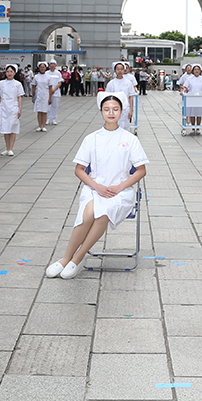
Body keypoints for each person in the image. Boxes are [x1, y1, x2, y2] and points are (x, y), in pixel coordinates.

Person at [45, 91, 148, 280]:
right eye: (107, 109)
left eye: (115, 109)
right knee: (88, 215)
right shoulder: (91, 138)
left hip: (120, 192)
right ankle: (66, 258)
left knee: (103, 213)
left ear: (122, 111)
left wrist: (118, 188)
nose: (111, 113)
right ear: (101, 111)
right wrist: (98, 187)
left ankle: (77, 258)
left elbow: (141, 170)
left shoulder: (130, 139)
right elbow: (79, 169)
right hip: (94, 188)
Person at [0, 64, 25, 156]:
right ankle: (7, 148)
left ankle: (11, 148)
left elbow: (19, 97)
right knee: (5, 128)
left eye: (11, 71)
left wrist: (20, 109)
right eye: (7, 71)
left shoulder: (18, 84)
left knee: (12, 128)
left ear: (15, 73)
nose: (9, 73)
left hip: (13, 107)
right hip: (3, 107)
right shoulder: (1, 83)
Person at [105, 62, 137, 131]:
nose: (120, 71)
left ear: (124, 70)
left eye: (121, 69)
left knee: (125, 127)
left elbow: (131, 97)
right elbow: (107, 98)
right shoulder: (111, 84)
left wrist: (131, 110)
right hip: (114, 109)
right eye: (118, 69)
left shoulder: (128, 83)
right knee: (114, 127)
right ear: (115, 70)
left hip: (126, 109)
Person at [180, 64, 202, 130]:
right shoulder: (189, 79)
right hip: (191, 97)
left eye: (198, 70)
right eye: (195, 69)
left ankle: (198, 127)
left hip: (200, 98)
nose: (196, 71)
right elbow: (185, 86)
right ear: (193, 71)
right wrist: (183, 91)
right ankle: (193, 126)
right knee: (192, 113)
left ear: (200, 71)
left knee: (199, 113)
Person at [32, 62, 51, 132]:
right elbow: (34, 87)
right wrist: (33, 96)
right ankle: (40, 125)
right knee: (39, 111)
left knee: (45, 111)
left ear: (45, 68)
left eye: (43, 67)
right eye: (41, 67)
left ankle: (44, 126)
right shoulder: (36, 77)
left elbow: (50, 87)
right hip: (38, 95)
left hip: (46, 95)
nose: (42, 68)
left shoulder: (48, 76)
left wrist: (50, 98)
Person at [46, 59, 63, 124]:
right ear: (49, 65)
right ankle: (48, 118)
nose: (52, 65)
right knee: (48, 106)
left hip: (56, 92)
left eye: (54, 64)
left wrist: (54, 89)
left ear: (55, 65)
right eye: (51, 64)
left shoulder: (58, 73)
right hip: (48, 92)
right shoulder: (47, 73)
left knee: (55, 106)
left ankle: (54, 119)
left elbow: (60, 82)